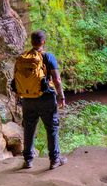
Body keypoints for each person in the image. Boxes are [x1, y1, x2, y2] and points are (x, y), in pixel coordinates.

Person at [12, 30, 67, 170]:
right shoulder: (48, 57)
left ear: (31, 42)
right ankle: (54, 160)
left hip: (27, 99)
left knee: (29, 128)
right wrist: (61, 96)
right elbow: (57, 80)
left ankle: (28, 160)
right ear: (44, 42)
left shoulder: (23, 58)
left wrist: (18, 97)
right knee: (52, 128)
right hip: (46, 98)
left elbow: (17, 80)